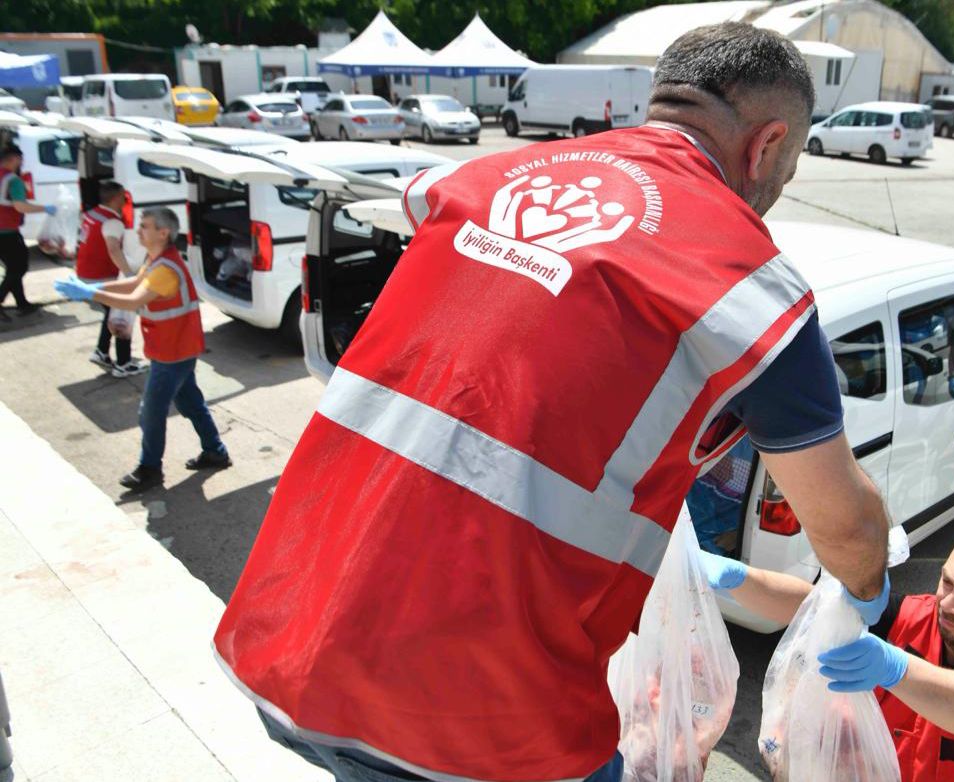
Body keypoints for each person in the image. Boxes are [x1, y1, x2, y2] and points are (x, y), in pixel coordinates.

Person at [213, 23, 891, 782]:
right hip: (476, 727)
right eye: (785, 174)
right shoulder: (752, 290)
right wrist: (868, 591)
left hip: (293, 640)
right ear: (766, 146)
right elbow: (845, 527)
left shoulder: (482, 178)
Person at [701, 519, 954, 782]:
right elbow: (812, 608)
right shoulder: (915, 616)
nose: (947, 604)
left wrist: (897, 668)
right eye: (947, 582)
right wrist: (739, 580)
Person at [54, 208, 231, 491]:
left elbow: (134, 299)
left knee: (150, 411)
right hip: (176, 347)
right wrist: (96, 285)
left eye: (145, 226)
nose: (138, 230)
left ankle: (149, 469)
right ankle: (215, 451)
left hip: (173, 352)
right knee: (190, 403)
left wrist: (91, 293)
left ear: (163, 232)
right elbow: (136, 283)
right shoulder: (158, 261)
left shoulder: (165, 269)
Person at [74, 180, 146, 377]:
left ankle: (101, 352)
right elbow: (113, 249)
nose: (126, 200)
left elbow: (82, 242)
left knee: (110, 313)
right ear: (116, 198)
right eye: (124, 196)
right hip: (101, 276)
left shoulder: (91, 214)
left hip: (86, 273)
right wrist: (129, 275)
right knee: (121, 313)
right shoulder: (112, 222)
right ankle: (123, 364)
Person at [0, 144, 58, 319]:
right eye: (20, 159)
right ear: (15, 159)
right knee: (19, 267)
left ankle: (22, 303)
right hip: (7, 232)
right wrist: (45, 208)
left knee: (13, 268)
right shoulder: (12, 180)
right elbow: (20, 206)